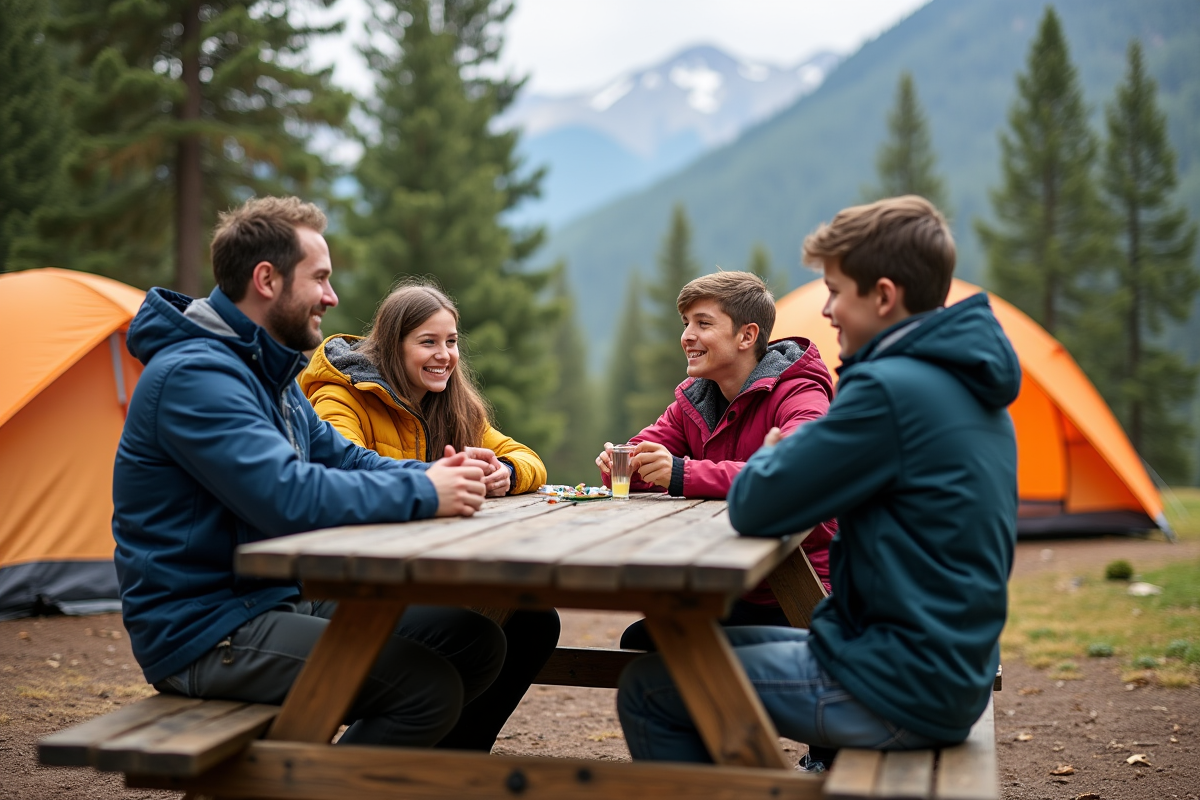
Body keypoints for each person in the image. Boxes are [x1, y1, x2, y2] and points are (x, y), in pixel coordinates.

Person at [616, 196, 1019, 770]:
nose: (826, 311)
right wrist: (774, 462)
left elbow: (758, 505)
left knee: (652, 689)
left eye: (835, 291)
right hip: (941, 666)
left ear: (883, 296)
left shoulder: (889, 391)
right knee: (668, 649)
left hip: (900, 684)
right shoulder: (959, 378)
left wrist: (772, 465)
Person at [113, 196, 507, 749]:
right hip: (206, 627)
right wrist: (423, 488)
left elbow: (344, 458)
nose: (332, 295)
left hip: (275, 598)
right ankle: (325, 782)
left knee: (474, 640)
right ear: (266, 280)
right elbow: (287, 497)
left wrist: (441, 472)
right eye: (319, 278)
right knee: (425, 687)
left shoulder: (267, 372)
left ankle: (402, 777)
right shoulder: (196, 376)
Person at [299, 282, 557, 751]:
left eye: (451, 341)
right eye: (428, 342)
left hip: (413, 572)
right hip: (347, 579)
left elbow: (528, 458)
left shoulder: (452, 403)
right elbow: (341, 468)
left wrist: (504, 471)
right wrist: (440, 477)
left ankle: (456, 760)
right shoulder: (342, 395)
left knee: (533, 621)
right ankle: (368, 761)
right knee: (475, 636)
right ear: (392, 345)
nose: (444, 355)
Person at [594, 271, 838, 648]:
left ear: (747, 336)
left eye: (703, 323)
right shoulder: (696, 398)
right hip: (730, 585)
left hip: (802, 592)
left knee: (654, 646)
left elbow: (797, 472)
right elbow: (642, 457)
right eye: (685, 323)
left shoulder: (799, 393)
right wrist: (620, 465)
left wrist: (681, 473)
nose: (687, 336)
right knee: (642, 641)